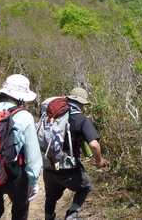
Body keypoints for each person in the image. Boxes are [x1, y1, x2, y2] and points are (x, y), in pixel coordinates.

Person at [0, 74, 43, 220]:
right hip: (14, 173)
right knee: (20, 211)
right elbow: (32, 154)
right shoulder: (24, 116)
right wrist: (34, 182)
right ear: (21, 98)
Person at [43, 87, 106, 220]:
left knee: (50, 196)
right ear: (82, 103)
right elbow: (94, 144)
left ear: (68, 99)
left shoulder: (52, 115)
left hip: (48, 164)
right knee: (85, 187)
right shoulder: (80, 119)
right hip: (68, 168)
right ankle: (72, 215)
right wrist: (99, 161)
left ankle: (49, 217)